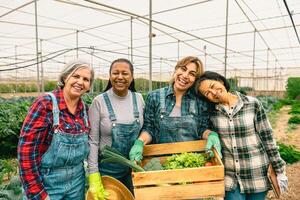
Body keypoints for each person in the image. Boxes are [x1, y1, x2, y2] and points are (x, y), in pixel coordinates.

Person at [195, 71, 288, 200]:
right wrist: (209, 134)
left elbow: (267, 137)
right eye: (207, 93)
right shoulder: (211, 112)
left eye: (212, 86)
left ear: (220, 81)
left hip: (256, 174)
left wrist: (279, 169)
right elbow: (201, 129)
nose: (213, 93)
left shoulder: (252, 104)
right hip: (230, 177)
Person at [18, 60, 94, 200]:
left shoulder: (85, 110)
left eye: (86, 79)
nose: (80, 82)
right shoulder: (45, 104)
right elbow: (26, 152)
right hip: (47, 183)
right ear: (65, 77)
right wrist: (37, 193)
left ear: (89, 86)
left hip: (77, 182)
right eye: (75, 76)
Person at [129, 56, 221, 163]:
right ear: (176, 69)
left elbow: (202, 129)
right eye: (183, 69)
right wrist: (139, 142)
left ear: (195, 80)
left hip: (191, 162)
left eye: (192, 74)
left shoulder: (200, 101)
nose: (185, 76)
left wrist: (211, 135)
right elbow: (149, 129)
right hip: (161, 161)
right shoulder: (154, 97)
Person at [87, 58, 144, 198]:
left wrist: (140, 145)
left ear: (131, 77)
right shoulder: (99, 102)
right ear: (110, 75)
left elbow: (144, 130)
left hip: (133, 169)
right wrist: (93, 173)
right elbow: (93, 141)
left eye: (125, 73)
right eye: (115, 73)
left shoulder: (139, 99)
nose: (120, 77)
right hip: (108, 170)